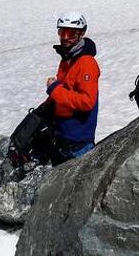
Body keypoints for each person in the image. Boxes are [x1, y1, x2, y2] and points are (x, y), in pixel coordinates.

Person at [45, 11, 100, 165]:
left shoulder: (86, 63)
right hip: (63, 134)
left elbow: (87, 102)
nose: (65, 37)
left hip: (78, 140)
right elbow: (65, 90)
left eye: (71, 33)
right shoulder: (67, 58)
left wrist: (54, 89)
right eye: (62, 32)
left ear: (81, 34)